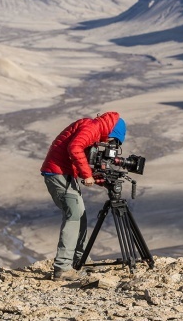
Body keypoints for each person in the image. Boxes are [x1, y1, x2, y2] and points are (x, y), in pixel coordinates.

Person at [40, 111, 127, 281]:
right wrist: (87, 175)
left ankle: (81, 261)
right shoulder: (92, 127)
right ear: (112, 131)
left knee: (80, 215)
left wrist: (96, 177)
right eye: (113, 141)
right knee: (74, 215)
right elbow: (74, 148)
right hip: (58, 174)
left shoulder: (93, 127)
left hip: (63, 173)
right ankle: (63, 267)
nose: (109, 144)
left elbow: (79, 157)